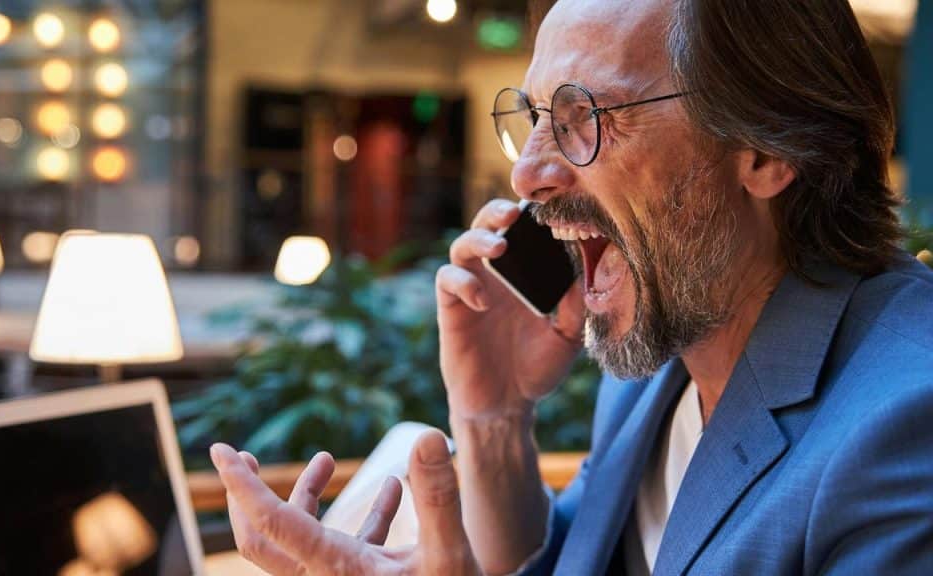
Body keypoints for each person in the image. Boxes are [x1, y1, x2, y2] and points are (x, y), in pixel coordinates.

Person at [209, 0, 933, 573]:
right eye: (533, 117)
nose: (526, 174)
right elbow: (574, 556)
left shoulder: (907, 426)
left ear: (766, 148)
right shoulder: (660, 368)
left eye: (585, 115)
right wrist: (496, 416)